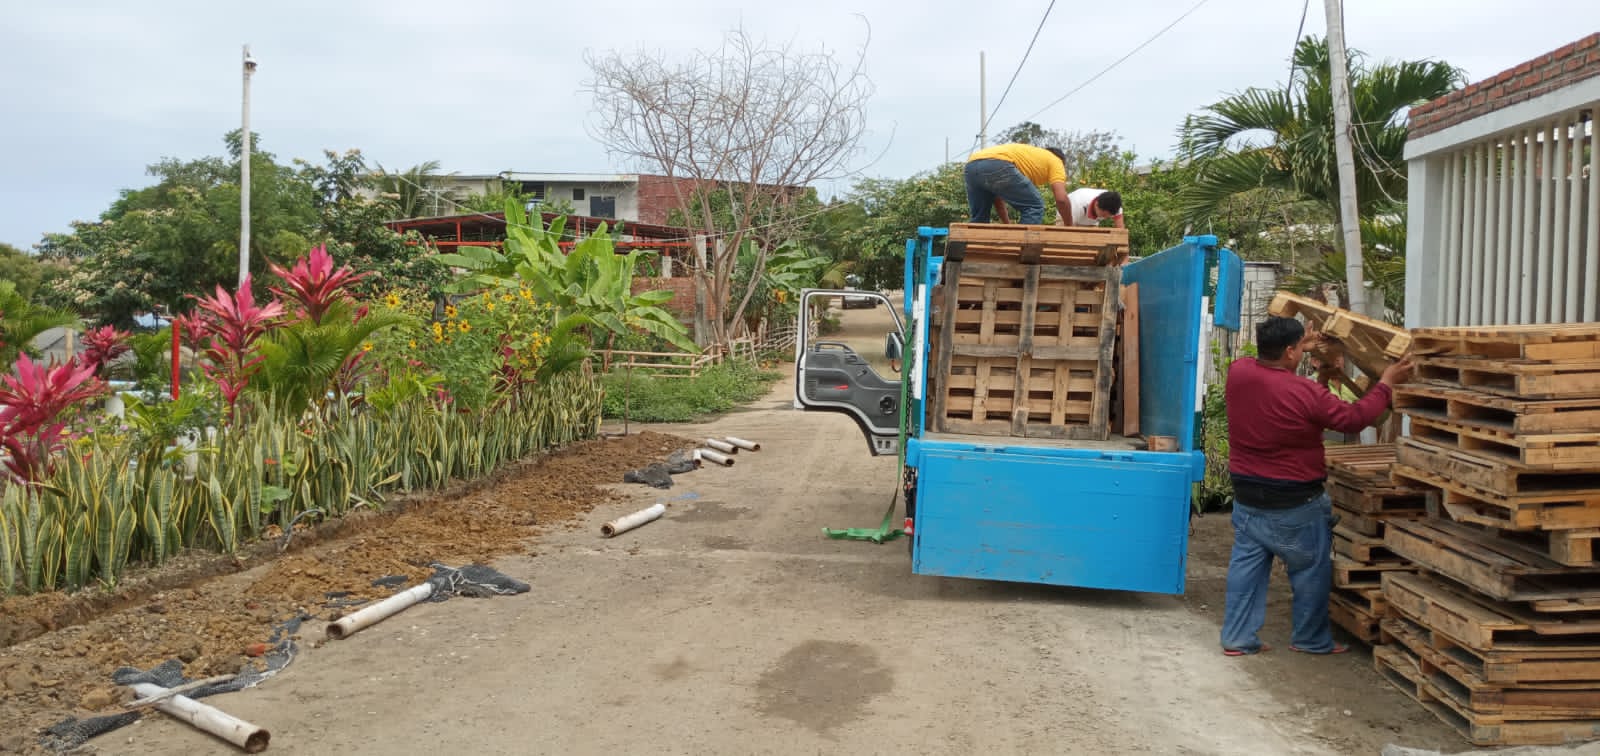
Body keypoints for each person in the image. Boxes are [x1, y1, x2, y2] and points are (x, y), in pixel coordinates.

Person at [1220, 316, 1413, 657]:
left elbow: (1292, 395)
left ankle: (1237, 637)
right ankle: (1310, 639)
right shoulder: (1304, 392)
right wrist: (1386, 383)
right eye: (1299, 348)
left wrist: (1310, 356)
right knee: (1310, 570)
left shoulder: (1239, 372)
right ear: (1290, 351)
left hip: (1248, 497)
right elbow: (1353, 419)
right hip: (1294, 502)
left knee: (1246, 568)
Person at [963, 143, 1073, 225]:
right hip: (999, 163)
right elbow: (1061, 199)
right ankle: (1020, 246)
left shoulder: (1029, 158)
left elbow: (997, 198)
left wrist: (1007, 224)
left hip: (971, 165)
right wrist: (1069, 227)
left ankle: (974, 247)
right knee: (1034, 207)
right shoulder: (1056, 161)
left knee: (979, 218)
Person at [1056, 188, 1124, 228]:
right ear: (1096, 204)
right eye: (1104, 215)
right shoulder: (1078, 203)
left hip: (1090, 221)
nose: (1105, 218)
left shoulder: (1115, 206)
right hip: (1067, 216)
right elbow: (1068, 228)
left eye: (1108, 216)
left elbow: (1120, 230)